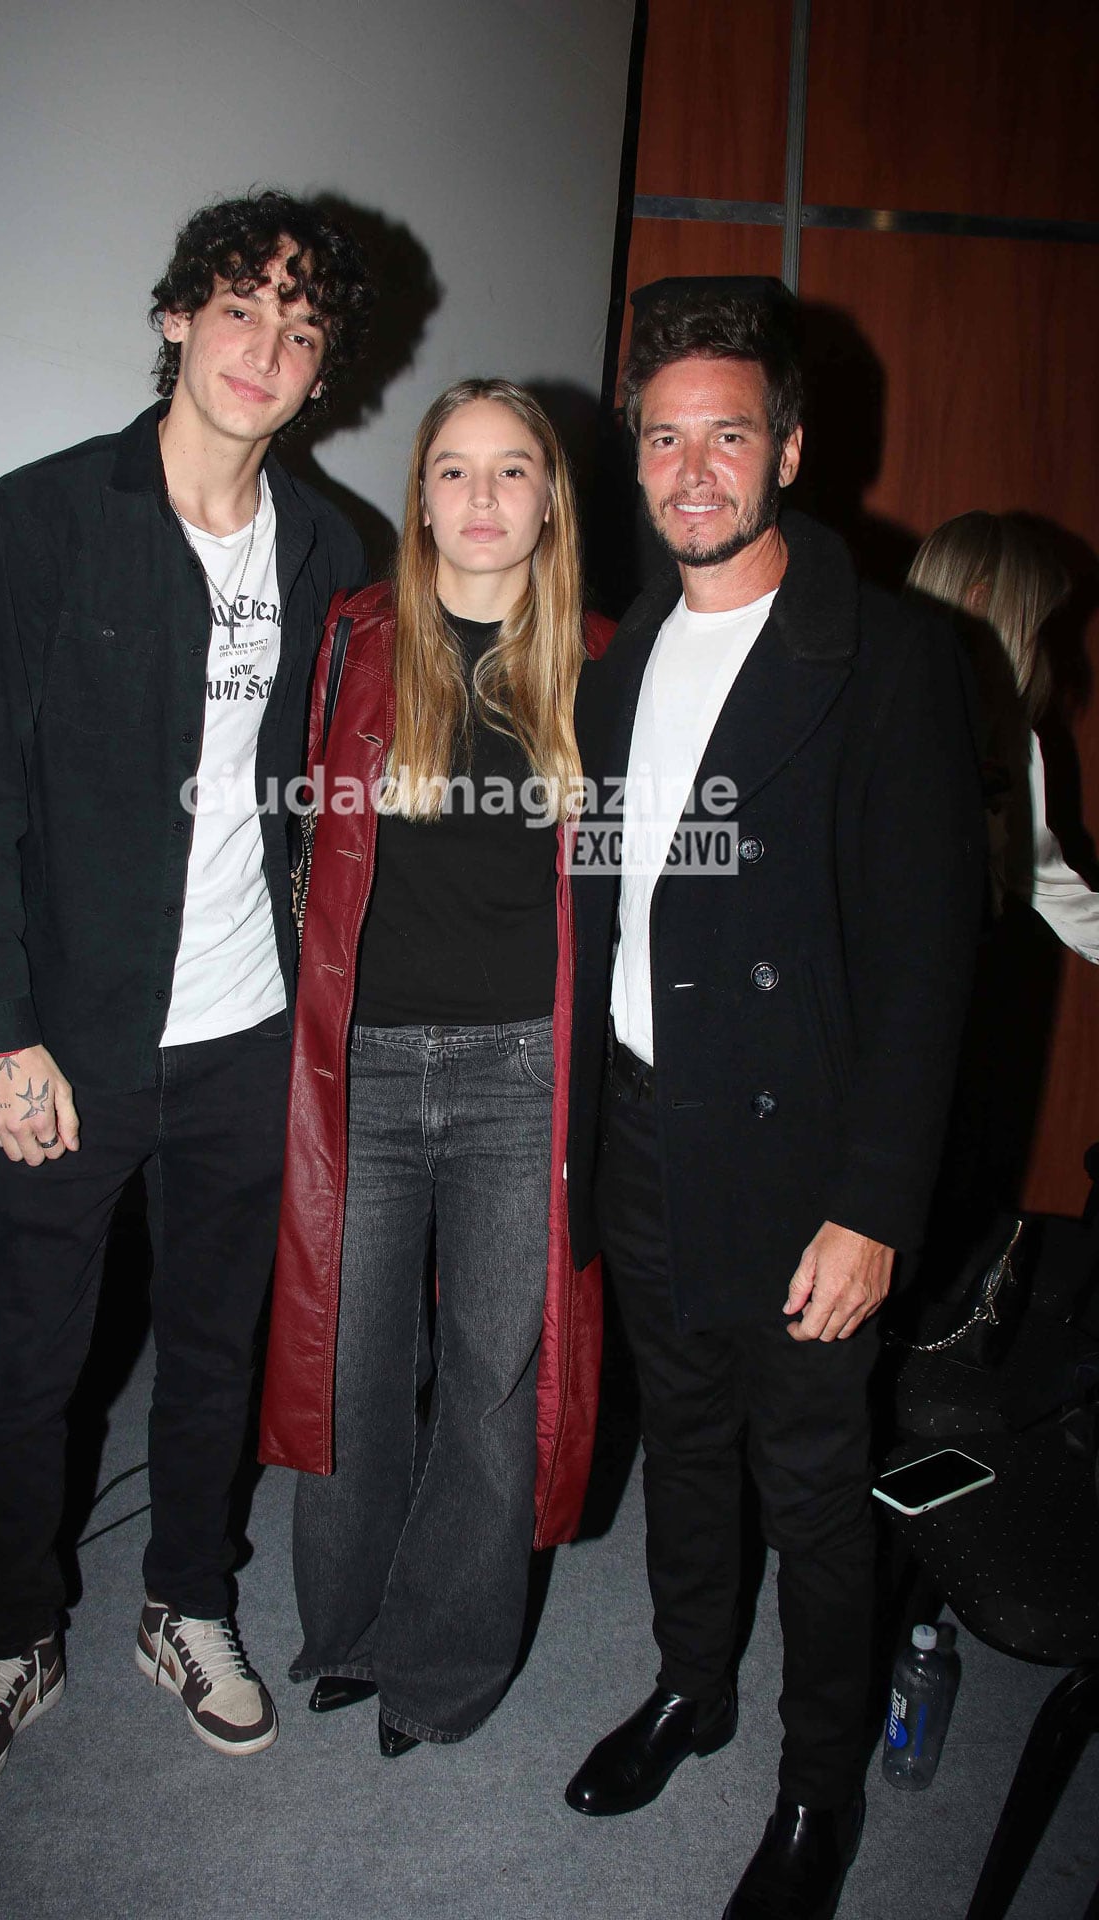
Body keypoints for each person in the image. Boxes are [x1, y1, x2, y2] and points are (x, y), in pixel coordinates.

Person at [0, 191, 374, 1809]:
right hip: (73, 1045)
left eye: (303, 330)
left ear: (325, 373)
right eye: (242, 309)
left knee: (214, 1345)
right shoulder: (35, 526)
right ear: (178, 317)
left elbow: (348, 794)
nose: (268, 349)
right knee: (25, 1360)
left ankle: (190, 1602)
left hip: (250, 1045)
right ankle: (13, 1631)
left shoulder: (338, 555)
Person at [561, 279, 985, 1920]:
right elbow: (615, 892)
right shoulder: (628, 653)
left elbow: (932, 964)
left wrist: (876, 1204)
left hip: (801, 1157)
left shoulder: (891, 656)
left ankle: (817, 1787)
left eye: (726, 433)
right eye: (662, 436)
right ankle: (692, 1686)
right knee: (682, 1440)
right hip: (648, 1126)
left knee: (811, 1479)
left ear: (790, 448)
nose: (689, 467)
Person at [257, 378, 611, 1755]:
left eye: (510, 470)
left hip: (529, 1077)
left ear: (548, 500)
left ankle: (446, 1668)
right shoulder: (355, 643)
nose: (479, 499)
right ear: (420, 496)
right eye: (452, 470)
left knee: (493, 1379)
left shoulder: (602, 662)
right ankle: (346, 1629)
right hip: (369, 1072)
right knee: (349, 1370)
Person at [908, 511, 1099, 963]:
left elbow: (1048, 884)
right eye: (1034, 629)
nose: (1042, 652)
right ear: (980, 603)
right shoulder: (856, 703)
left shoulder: (1011, 741)